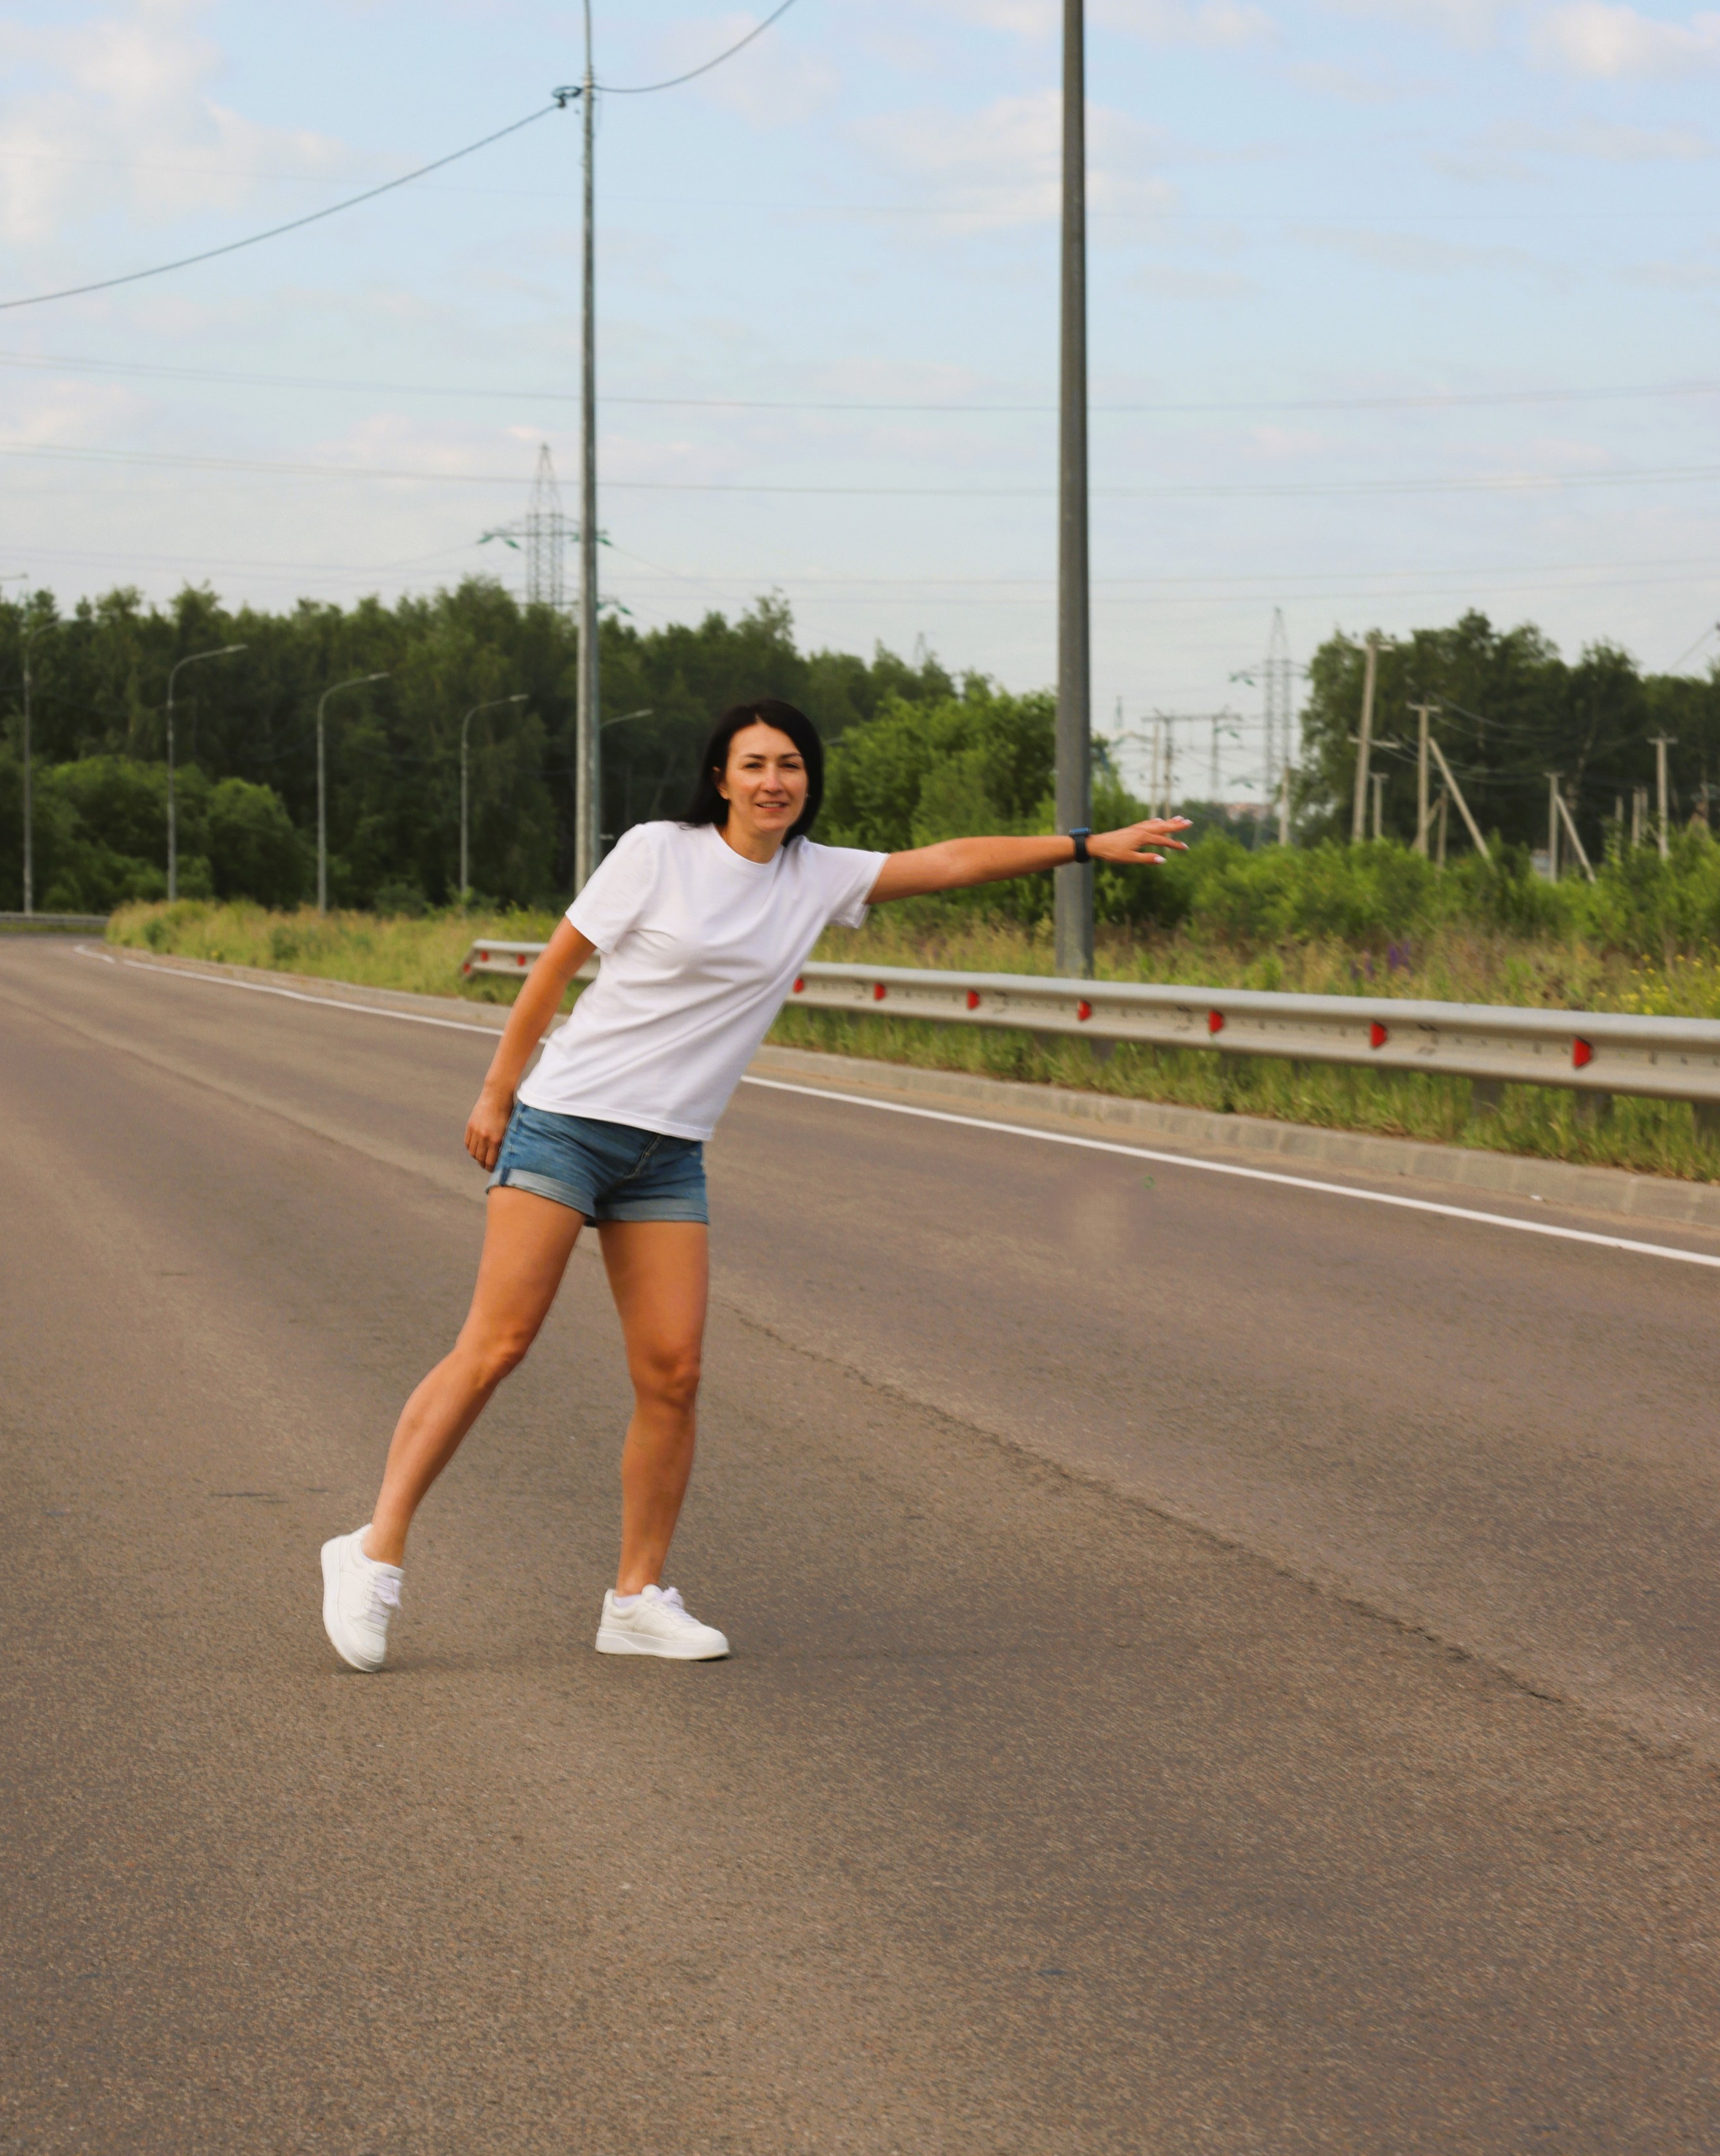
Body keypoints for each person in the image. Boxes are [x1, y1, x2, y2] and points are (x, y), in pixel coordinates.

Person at [320, 698, 1188, 1669]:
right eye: (755, 763)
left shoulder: (819, 876)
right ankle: (372, 1548)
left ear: (807, 780)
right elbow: (555, 967)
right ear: (722, 778)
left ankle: (636, 1597)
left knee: (674, 1374)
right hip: (566, 1123)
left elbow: (949, 860)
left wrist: (1082, 844)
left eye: (791, 763)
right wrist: (498, 1090)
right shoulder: (659, 850)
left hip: (668, 1153)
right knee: (498, 1344)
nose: (774, 779)